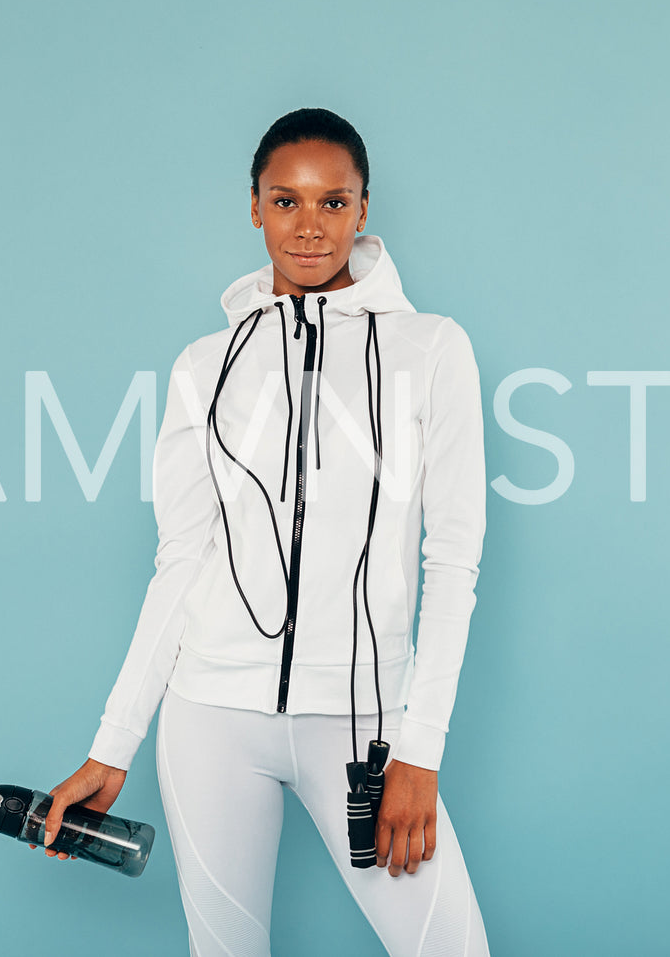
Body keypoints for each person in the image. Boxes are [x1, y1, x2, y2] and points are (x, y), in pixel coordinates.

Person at [36, 108, 492, 957]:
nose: (309, 226)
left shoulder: (431, 350)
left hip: (362, 723)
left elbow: (453, 559)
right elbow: (181, 560)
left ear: (363, 211)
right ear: (254, 208)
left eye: (332, 202)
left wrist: (419, 751)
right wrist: (112, 743)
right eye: (286, 201)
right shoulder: (204, 365)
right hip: (210, 715)